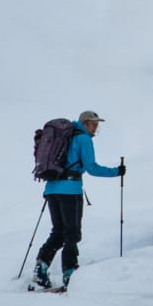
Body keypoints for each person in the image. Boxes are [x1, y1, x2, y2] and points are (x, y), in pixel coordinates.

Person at [32, 111, 124, 291]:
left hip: (51, 188)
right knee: (72, 233)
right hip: (70, 190)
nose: (96, 128)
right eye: (93, 124)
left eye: (97, 124)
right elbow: (92, 168)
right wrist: (116, 172)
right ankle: (70, 273)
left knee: (58, 232)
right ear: (85, 123)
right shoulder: (83, 139)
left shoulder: (66, 136)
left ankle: (40, 269)